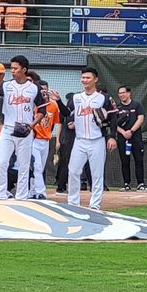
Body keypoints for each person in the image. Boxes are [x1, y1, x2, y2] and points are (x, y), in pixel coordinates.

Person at [50, 67, 117, 211]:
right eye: (83, 78)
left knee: (97, 173)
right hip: (79, 140)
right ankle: (73, 202)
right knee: (73, 171)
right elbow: (66, 113)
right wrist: (59, 101)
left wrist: (112, 137)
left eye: (88, 78)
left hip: (97, 139)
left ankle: (95, 205)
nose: (85, 80)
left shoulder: (104, 98)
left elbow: (113, 117)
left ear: (95, 79)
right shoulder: (76, 98)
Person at [0, 55, 46, 201]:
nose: (13, 71)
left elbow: (42, 110)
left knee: (24, 165)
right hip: (8, 129)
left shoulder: (34, 88)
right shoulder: (6, 85)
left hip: (25, 130)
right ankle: (0, 193)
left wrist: (32, 125)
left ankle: (21, 196)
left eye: (16, 68)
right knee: (1, 162)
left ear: (24, 69)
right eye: (11, 68)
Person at [29, 80, 60, 200]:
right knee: (36, 166)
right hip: (34, 139)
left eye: (45, 90)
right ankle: (40, 192)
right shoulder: (33, 104)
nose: (43, 93)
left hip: (45, 140)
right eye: (41, 90)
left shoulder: (53, 105)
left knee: (40, 168)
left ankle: (32, 191)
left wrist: (48, 134)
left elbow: (53, 123)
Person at [116, 85, 147, 192]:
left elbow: (140, 119)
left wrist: (131, 131)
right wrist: (123, 132)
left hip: (136, 138)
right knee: (124, 160)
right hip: (122, 138)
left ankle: (141, 184)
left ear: (129, 93)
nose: (121, 95)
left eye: (123, 92)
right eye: (119, 93)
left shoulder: (137, 104)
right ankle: (126, 184)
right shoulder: (117, 107)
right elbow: (113, 123)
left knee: (139, 160)